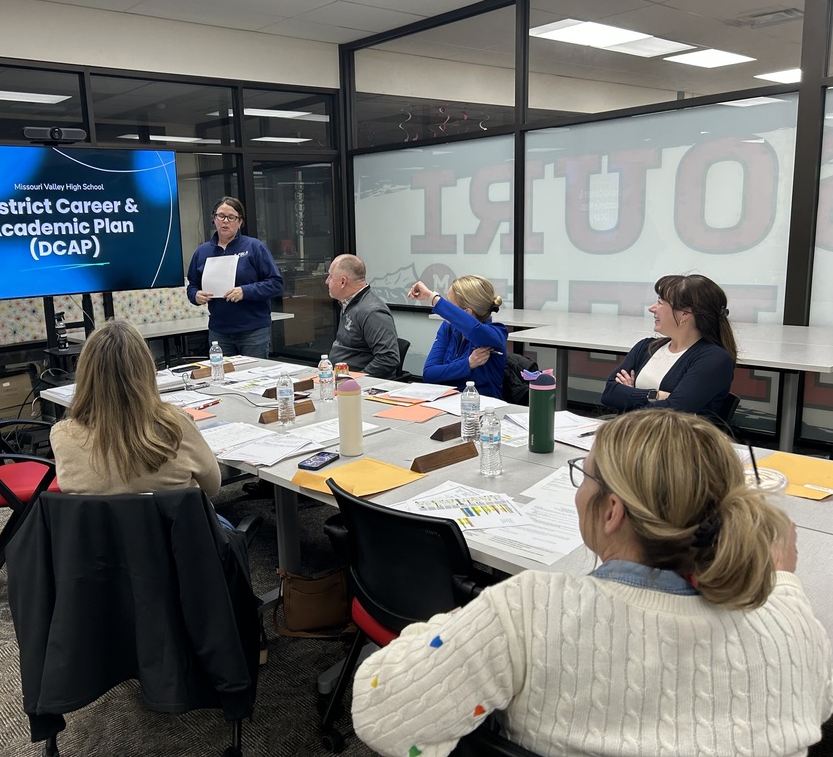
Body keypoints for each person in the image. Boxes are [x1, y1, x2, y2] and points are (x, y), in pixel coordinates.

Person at [351, 409, 832, 757]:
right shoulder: (791, 622)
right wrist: (783, 585)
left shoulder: (528, 610)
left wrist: (454, 628)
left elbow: (381, 714)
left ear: (612, 510)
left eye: (584, 476)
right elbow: (820, 703)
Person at [50, 320, 222, 502]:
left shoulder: (62, 435)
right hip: (176, 528)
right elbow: (213, 486)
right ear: (148, 370)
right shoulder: (176, 425)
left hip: (100, 530)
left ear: (84, 374)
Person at [601, 274, 736, 418]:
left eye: (660, 302)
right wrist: (656, 395)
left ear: (685, 313)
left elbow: (673, 412)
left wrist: (629, 397)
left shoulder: (714, 359)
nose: (652, 308)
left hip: (673, 439)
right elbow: (609, 393)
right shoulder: (645, 347)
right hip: (632, 434)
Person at [186, 196, 283, 358]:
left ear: (240, 222)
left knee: (254, 379)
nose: (225, 221)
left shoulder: (254, 247)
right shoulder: (202, 252)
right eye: (221, 216)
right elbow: (192, 285)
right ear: (214, 219)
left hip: (253, 330)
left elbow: (275, 283)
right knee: (223, 378)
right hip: (219, 331)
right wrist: (195, 295)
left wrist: (245, 291)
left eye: (231, 217)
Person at [409, 276, 508, 398]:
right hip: (445, 402)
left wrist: (433, 298)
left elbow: (474, 329)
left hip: (481, 407)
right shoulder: (448, 327)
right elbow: (429, 374)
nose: (446, 310)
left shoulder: (495, 333)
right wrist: (467, 364)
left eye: (449, 304)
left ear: (466, 312)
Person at [326, 254, 399, 378]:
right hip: (338, 378)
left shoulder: (372, 312)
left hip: (358, 386)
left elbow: (388, 359)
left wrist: (357, 379)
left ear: (343, 282)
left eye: (330, 276)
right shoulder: (348, 304)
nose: (326, 281)